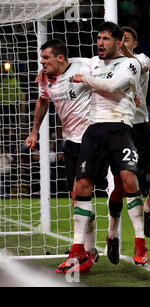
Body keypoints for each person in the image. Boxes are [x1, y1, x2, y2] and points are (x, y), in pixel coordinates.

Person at [61, 22, 147, 269]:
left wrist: (85, 78)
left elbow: (110, 86)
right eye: (98, 38)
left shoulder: (130, 63)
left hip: (120, 127)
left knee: (129, 179)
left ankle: (140, 243)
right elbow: (72, 64)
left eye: (106, 39)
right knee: (82, 186)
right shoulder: (92, 62)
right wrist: (50, 70)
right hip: (94, 129)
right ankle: (78, 249)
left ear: (119, 42)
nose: (100, 42)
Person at [24, 39, 98, 273]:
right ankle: (91, 249)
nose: (42, 62)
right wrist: (34, 131)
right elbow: (43, 102)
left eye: (46, 58)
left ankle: (82, 250)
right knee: (76, 197)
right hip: (71, 142)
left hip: (93, 137)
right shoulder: (46, 79)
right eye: (41, 58)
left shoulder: (85, 66)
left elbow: (111, 69)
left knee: (82, 192)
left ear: (61, 58)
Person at [105, 26, 150, 265]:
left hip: (143, 128)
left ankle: (148, 209)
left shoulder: (142, 59)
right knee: (122, 187)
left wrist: (125, 53)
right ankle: (112, 235)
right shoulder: (108, 65)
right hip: (122, 129)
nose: (121, 43)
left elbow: (139, 66)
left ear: (135, 43)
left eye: (126, 39)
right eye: (118, 40)